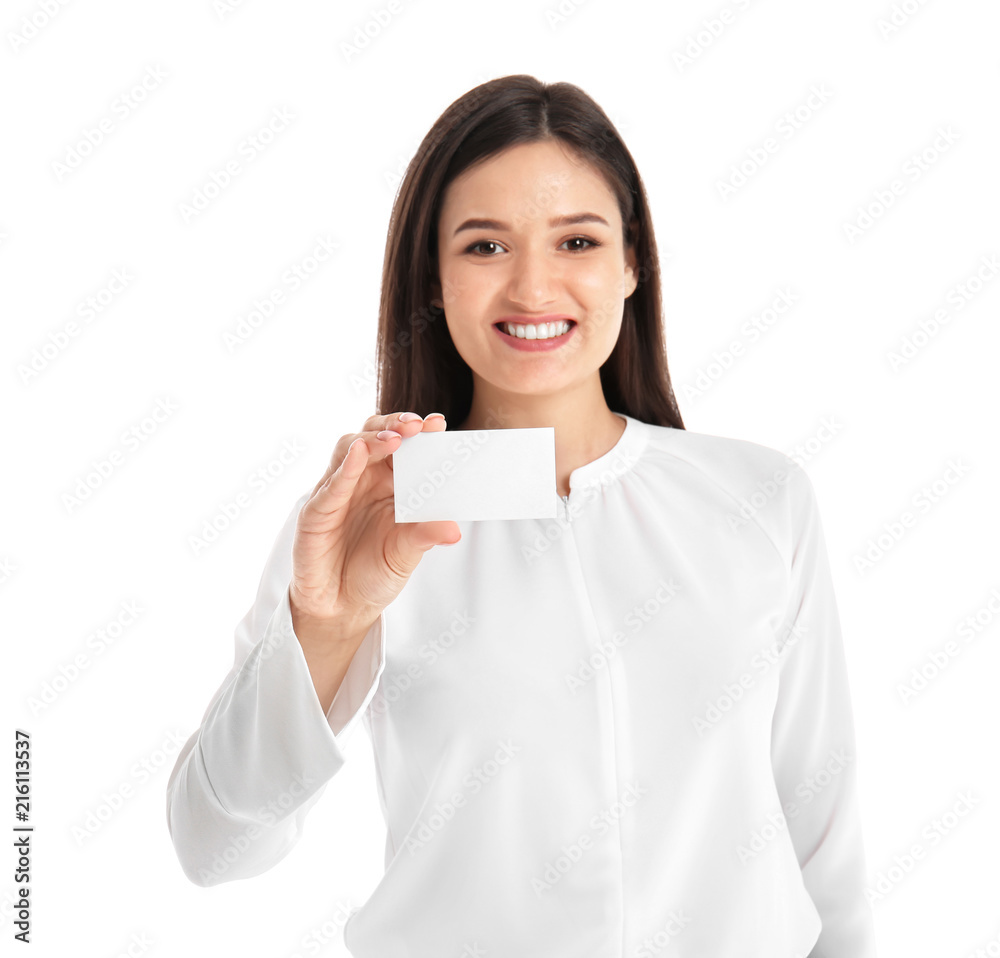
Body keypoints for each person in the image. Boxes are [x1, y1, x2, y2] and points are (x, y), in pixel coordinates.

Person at [166, 74, 878, 956]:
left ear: (631, 261)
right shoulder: (374, 518)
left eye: (577, 239)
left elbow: (825, 835)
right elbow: (215, 845)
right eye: (485, 247)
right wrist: (328, 623)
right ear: (434, 275)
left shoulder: (760, 500)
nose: (534, 289)